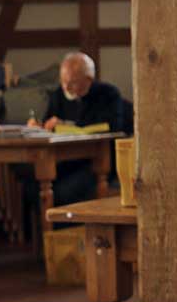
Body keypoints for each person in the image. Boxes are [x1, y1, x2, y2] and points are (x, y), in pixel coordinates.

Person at [27, 52, 125, 207]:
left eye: (72, 83)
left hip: (97, 162)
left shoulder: (108, 94)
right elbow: (49, 124)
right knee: (30, 184)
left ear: (88, 80)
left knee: (63, 192)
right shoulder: (59, 94)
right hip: (65, 160)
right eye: (63, 81)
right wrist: (39, 127)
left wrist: (67, 125)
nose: (66, 87)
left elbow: (112, 127)